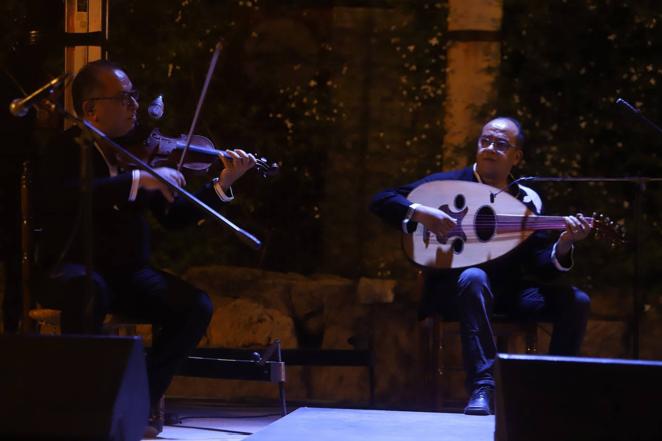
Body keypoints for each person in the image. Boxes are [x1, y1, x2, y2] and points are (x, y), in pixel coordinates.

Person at [34, 60, 256, 437]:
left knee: (194, 306)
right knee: (89, 290)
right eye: (124, 99)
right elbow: (69, 197)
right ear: (91, 110)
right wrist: (140, 179)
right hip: (68, 266)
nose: (135, 105)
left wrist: (221, 184)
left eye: (135, 97)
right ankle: (84, 407)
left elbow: (175, 217)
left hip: (127, 273)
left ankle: (140, 401)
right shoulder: (65, 150)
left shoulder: (138, 155)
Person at [370, 117, 591, 415]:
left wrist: (564, 244)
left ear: (516, 157)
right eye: (485, 141)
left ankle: (551, 390)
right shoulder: (447, 186)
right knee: (474, 277)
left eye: (500, 144)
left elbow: (539, 265)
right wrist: (420, 212)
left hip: (510, 292)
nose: (490, 148)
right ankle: (483, 386)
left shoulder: (527, 200)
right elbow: (381, 199)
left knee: (576, 301)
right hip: (455, 291)